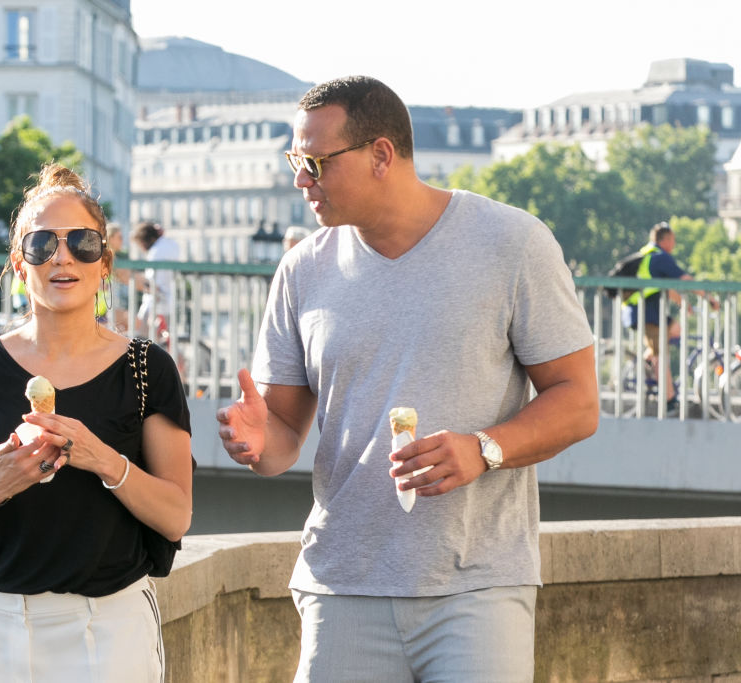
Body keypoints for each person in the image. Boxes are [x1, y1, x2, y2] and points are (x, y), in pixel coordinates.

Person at [216, 76, 599, 682]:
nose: (300, 180)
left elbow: (577, 402)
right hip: (341, 587)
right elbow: (284, 431)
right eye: (297, 160)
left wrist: (484, 449)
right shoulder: (301, 270)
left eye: (315, 162)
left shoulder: (513, 243)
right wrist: (258, 443)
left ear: (381, 155)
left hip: (478, 588)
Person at [0, 164, 193, 682]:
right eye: (42, 243)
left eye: (83, 242)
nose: (62, 256)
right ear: (20, 266)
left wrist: (103, 460)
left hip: (112, 629)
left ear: (104, 264)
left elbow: (177, 516)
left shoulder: (147, 368)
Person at [620, 221, 717, 413]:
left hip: (648, 312)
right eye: (673, 240)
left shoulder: (648, 256)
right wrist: (710, 298)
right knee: (662, 354)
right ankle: (670, 400)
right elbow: (685, 280)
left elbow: (658, 285)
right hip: (645, 313)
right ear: (665, 240)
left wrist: (683, 302)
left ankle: (649, 361)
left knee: (675, 330)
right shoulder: (660, 257)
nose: (674, 245)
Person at [132, 221, 180, 337]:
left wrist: (139, 281)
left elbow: (151, 281)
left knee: (140, 336)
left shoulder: (155, 253)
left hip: (155, 301)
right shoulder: (172, 245)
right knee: (166, 340)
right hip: (168, 300)